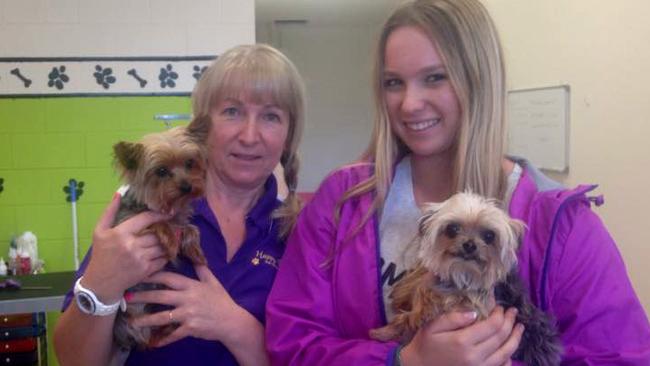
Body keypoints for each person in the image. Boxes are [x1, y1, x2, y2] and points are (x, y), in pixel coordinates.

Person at [265, 0, 650, 365]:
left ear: (479, 80)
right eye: (394, 82)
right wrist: (403, 360)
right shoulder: (343, 202)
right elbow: (291, 344)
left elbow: (620, 355)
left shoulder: (560, 224)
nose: (409, 104)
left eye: (435, 78)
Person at [53, 44, 305, 366]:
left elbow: (316, 354)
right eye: (232, 111)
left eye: (271, 116)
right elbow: (74, 361)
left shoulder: (300, 230)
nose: (249, 135)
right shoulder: (142, 215)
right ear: (201, 127)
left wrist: (235, 326)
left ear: (288, 133)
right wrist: (100, 284)